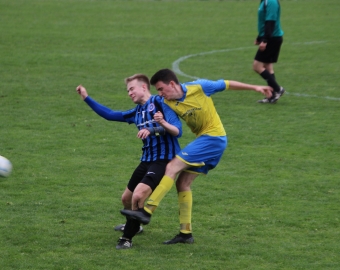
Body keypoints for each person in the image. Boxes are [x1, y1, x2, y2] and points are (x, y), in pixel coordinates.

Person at [121, 68, 272, 244]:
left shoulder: (200, 87)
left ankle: (146, 211)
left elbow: (227, 84)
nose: (160, 94)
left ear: (172, 84)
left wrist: (255, 87)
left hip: (213, 138)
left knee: (172, 166)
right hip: (206, 141)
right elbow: (170, 126)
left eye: (161, 89)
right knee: (183, 183)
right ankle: (186, 234)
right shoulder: (167, 102)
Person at [75, 74, 182, 249]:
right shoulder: (137, 112)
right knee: (126, 198)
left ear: (143, 88)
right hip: (147, 160)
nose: (129, 93)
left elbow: (177, 130)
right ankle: (136, 225)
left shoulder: (161, 103)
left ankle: (127, 239)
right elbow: (110, 115)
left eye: (131, 89)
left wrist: (152, 129)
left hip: (164, 161)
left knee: (139, 195)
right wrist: (86, 98)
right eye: (128, 91)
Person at [253, 0, 285, 104]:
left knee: (257, 66)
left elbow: (270, 21)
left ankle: (277, 89)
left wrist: (265, 40)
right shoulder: (264, 1)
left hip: (272, 38)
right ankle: (272, 95)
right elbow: (263, 21)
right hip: (270, 37)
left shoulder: (271, 1)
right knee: (268, 67)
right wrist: (259, 37)